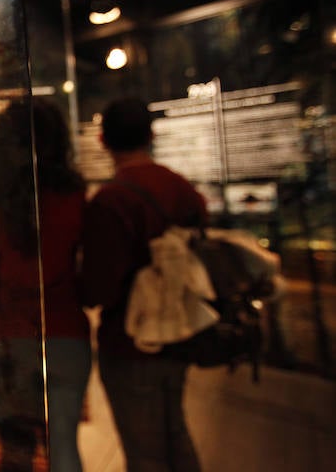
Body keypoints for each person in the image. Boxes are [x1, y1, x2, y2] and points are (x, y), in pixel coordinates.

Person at [0, 97, 91, 472]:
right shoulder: (74, 193)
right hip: (66, 332)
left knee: (16, 451)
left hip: (8, 335)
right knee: (64, 447)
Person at [79, 97, 207, 472]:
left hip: (131, 339)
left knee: (144, 452)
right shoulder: (182, 189)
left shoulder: (112, 200)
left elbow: (99, 288)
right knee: (175, 432)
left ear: (103, 140)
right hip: (181, 332)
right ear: (150, 135)